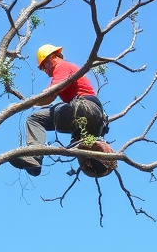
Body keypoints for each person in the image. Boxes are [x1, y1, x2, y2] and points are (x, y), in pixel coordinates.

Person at [9, 44, 108, 176]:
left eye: (44, 66)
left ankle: (34, 157)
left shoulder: (61, 66)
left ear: (52, 58)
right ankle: (99, 163)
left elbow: (49, 95)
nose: (44, 70)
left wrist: (26, 103)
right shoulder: (66, 69)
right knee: (83, 147)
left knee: (35, 119)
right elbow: (48, 99)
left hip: (83, 109)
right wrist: (35, 103)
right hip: (95, 120)